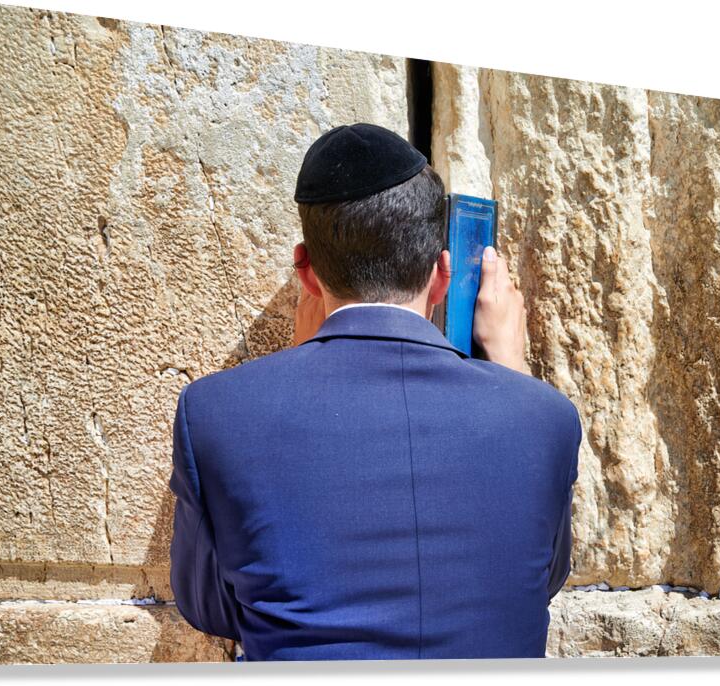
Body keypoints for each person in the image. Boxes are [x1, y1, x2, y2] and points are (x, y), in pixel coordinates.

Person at [168, 123, 581, 661]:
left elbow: (212, 607)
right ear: (441, 275)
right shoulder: (546, 419)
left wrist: (299, 364)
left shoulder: (215, 414)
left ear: (306, 273)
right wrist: (513, 373)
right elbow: (535, 582)